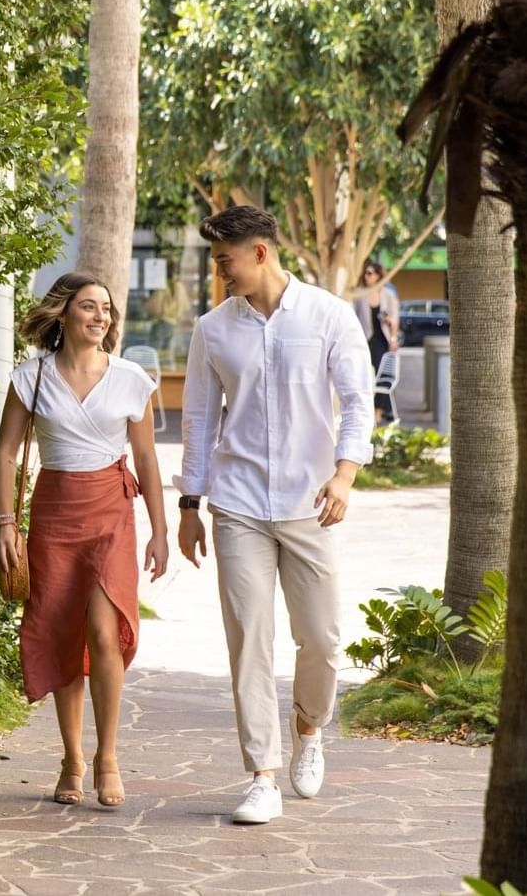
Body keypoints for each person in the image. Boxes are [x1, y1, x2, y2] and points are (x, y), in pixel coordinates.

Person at [175, 205, 373, 825]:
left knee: (320, 638)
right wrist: (189, 502)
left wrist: (344, 475)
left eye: (224, 259)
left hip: (310, 503)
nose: (218, 270)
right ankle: (261, 774)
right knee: (248, 639)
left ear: (259, 253)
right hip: (237, 503)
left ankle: (309, 728)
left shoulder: (328, 316)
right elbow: (200, 419)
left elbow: (357, 403)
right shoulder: (213, 328)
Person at [0, 272, 169, 809]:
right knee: (63, 629)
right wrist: (6, 523)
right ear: (63, 314)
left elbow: (145, 459)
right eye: (89, 307)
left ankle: (107, 755)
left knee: (104, 629)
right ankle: (71, 756)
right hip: (54, 511)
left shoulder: (130, 378)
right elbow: (5, 455)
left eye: (107, 310)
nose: (101, 317)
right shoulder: (31, 377)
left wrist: (160, 529)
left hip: (111, 511)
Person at [351, 258, 400, 425]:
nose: (367, 276)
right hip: (364, 340)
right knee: (362, 376)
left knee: (383, 376)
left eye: (370, 273)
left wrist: (392, 337)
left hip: (382, 339)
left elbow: (395, 320)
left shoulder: (388, 295)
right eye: (365, 273)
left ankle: (378, 412)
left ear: (378, 275)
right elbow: (354, 317)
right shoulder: (359, 294)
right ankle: (365, 412)